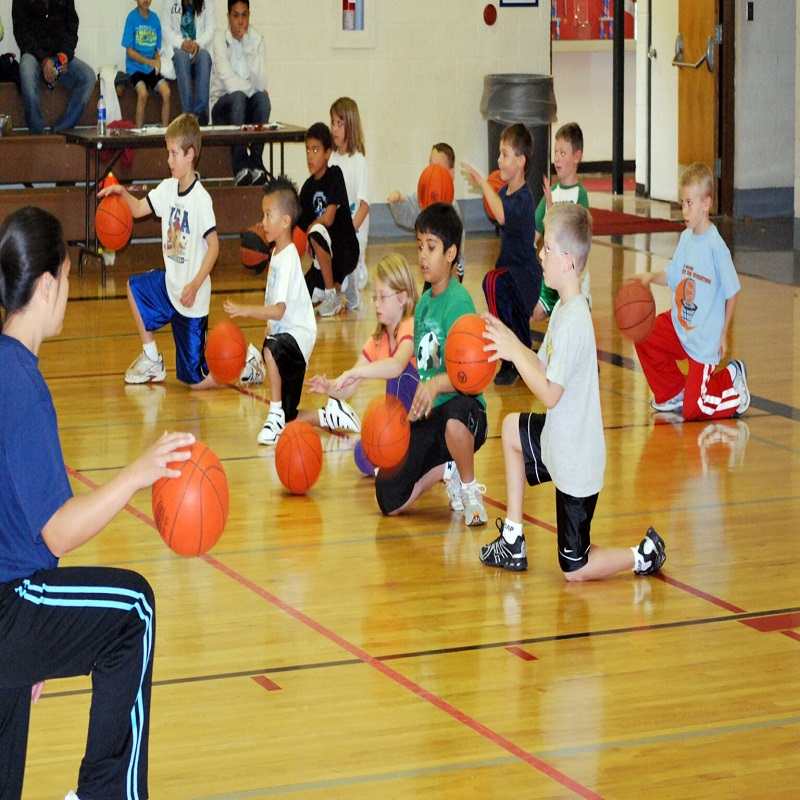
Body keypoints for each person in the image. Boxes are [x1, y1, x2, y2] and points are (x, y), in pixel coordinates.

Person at [0, 205, 195, 800]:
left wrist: (31, 650)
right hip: (9, 607)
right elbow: (56, 531)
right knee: (133, 610)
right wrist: (135, 474)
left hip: (10, 611)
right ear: (49, 284)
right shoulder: (23, 387)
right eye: (67, 276)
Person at [478, 203, 666, 578]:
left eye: (546, 248)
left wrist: (515, 351)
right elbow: (545, 369)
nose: (540, 255)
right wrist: (510, 341)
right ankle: (513, 540)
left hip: (577, 462)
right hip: (557, 442)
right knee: (513, 430)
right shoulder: (564, 309)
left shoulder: (576, 320)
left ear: (566, 261)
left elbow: (549, 394)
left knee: (574, 568)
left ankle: (642, 554)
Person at [375, 203, 489, 528]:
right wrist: (414, 409)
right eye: (419, 247)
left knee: (454, 421)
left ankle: (469, 490)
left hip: (465, 412)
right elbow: (426, 369)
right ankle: (447, 470)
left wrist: (438, 384)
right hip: (432, 415)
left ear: (451, 253)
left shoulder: (460, 303)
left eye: (431, 247)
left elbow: (472, 379)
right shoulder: (424, 304)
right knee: (388, 495)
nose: (423, 255)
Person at [99, 113, 220, 390]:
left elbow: (214, 248)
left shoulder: (201, 200)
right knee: (134, 287)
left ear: (190, 155)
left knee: (195, 383)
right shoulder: (167, 189)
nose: (169, 160)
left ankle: (240, 367)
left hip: (192, 298)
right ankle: (152, 358)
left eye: (174, 153)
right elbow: (140, 208)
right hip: (170, 286)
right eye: (168, 153)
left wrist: (195, 284)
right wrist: (120, 192)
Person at [629, 162, 750, 421]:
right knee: (643, 334)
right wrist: (651, 276)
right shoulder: (686, 238)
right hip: (679, 327)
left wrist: (724, 333)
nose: (684, 209)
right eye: (682, 203)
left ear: (706, 204)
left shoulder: (716, 246)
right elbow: (672, 276)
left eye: (689, 203)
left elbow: (733, 292)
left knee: (695, 410)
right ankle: (673, 392)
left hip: (704, 341)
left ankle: (733, 383)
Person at [305, 253, 420, 473]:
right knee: (362, 454)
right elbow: (348, 386)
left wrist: (357, 373)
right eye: (374, 297)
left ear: (403, 298)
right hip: (398, 427)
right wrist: (329, 386)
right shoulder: (377, 340)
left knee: (401, 374)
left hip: (421, 419)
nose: (377, 303)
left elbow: (396, 365)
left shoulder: (410, 325)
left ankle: (411, 457)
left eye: (383, 297)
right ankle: (396, 461)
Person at [224, 176, 317, 445]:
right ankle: (330, 415)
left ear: (286, 221)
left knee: (270, 347)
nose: (263, 222)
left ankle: (274, 412)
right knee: (293, 417)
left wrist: (245, 310)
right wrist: (272, 326)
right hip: (288, 334)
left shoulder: (288, 259)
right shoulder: (276, 254)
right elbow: (279, 310)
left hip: (299, 338)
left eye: (268, 215)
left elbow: (278, 310)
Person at [462, 123, 541, 386]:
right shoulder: (505, 191)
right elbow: (497, 209)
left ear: (521, 161)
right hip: (510, 274)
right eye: (499, 153)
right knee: (497, 285)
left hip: (524, 276)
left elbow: (501, 215)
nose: (498, 160)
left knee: (492, 281)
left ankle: (510, 360)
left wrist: (483, 182)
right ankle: (523, 355)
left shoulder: (525, 198)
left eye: (504, 154)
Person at [299, 122, 360, 318]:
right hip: (325, 255)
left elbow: (329, 216)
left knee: (316, 232)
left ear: (327, 153)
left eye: (315, 149)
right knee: (303, 298)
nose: (310, 155)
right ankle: (342, 283)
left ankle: (333, 294)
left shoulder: (335, 175)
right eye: (307, 149)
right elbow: (301, 227)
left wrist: (312, 233)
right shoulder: (307, 188)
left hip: (346, 248)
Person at [532, 122, 591, 321]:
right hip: (552, 270)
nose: (557, 157)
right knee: (532, 314)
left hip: (574, 275)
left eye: (563, 153)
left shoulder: (580, 195)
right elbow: (533, 234)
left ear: (577, 156)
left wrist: (552, 210)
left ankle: (585, 302)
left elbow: (577, 240)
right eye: (555, 152)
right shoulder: (551, 193)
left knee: (571, 318)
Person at [387, 142, 467, 286]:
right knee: (428, 300)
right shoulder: (422, 199)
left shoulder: (452, 210)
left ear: (450, 174)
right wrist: (397, 201)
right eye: (430, 164)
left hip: (452, 266)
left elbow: (458, 249)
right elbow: (405, 216)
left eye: (438, 166)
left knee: (447, 293)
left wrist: (452, 272)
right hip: (431, 267)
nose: (432, 170)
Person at [11, 0, 96, 135]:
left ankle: (60, 130)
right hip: (32, 54)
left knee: (88, 77)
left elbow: (72, 27)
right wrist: (44, 60)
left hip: (58, 55)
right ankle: (37, 133)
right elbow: (20, 32)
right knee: (26, 73)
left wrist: (66, 55)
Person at [210, 0, 270, 186]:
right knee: (239, 98)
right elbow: (229, 83)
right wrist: (254, 89)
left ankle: (256, 163)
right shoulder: (220, 39)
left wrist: (246, 43)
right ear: (228, 17)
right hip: (222, 108)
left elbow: (261, 82)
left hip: (247, 107)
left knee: (263, 100)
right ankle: (240, 166)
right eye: (236, 16)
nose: (240, 21)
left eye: (244, 15)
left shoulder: (257, 40)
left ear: (249, 16)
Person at [329, 97, 370, 298]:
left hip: (354, 230)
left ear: (350, 126)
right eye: (333, 123)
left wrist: (347, 233)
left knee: (345, 280)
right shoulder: (331, 159)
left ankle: (358, 270)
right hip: (336, 230)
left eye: (339, 124)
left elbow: (364, 206)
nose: (334, 129)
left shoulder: (359, 162)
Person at [161, 0, 216, 125]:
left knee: (204, 57)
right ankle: (188, 113)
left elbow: (211, 29)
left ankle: (200, 114)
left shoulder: (208, 2)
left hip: (199, 48)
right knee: (181, 56)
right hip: (178, 49)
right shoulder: (169, 2)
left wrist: (198, 43)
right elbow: (165, 28)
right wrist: (180, 43)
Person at [122, 0, 171, 129]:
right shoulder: (131, 18)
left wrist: (158, 60)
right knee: (143, 93)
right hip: (135, 68)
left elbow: (156, 48)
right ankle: (138, 132)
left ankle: (165, 131)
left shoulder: (155, 19)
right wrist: (149, 62)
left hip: (150, 68)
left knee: (166, 92)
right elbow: (130, 52)